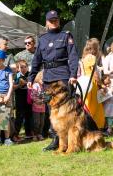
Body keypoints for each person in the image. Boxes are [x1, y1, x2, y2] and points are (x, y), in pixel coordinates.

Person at [28, 10, 79, 151]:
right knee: (52, 111)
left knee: (66, 111)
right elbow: (36, 60)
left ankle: (71, 140)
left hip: (63, 77)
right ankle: (55, 140)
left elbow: (73, 56)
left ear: (59, 21)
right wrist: (31, 77)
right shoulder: (42, 39)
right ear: (47, 22)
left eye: (56, 20)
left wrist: (73, 74)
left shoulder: (66, 36)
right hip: (48, 78)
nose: (54, 22)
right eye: (51, 20)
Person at [78, 38, 105, 129]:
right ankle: (94, 126)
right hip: (92, 83)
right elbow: (94, 73)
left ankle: (87, 126)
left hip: (85, 83)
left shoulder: (84, 57)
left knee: (87, 104)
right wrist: (101, 84)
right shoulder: (92, 57)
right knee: (94, 106)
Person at [14, 60, 33, 140]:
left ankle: (28, 133)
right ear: (18, 68)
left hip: (29, 98)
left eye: (25, 67)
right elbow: (13, 87)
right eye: (21, 67)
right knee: (19, 116)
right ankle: (16, 134)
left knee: (29, 115)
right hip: (20, 98)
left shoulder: (30, 75)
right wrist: (19, 85)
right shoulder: (17, 76)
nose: (24, 69)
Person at [30, 71, 45, 141]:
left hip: (43, 108)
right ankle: (34, 134)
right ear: (38, 78)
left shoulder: (45, 86)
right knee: (36, 122)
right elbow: (32, 96)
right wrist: (39, 101)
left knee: (42, 122)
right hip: (36, 108)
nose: (43, 81)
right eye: (42, 79)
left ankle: (40, 134)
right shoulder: (35, 85)